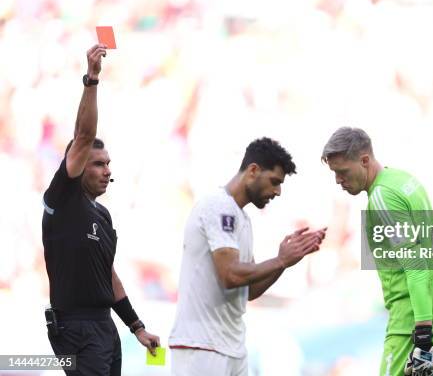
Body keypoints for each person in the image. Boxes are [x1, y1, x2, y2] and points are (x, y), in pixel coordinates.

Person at [42, 44, 160, 375]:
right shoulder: (62, 199)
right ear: (78, 167)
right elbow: (83, 136)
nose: (107, 170)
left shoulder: (102, 215)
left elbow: (107, 275)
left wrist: (136, 326)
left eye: (108, 163)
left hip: (105, 325)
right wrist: (91, 79)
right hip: (75, 328)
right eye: (97, 164)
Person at [169, 137, 326, 376]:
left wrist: (285, 262)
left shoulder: (241, 218)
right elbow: (230, 275)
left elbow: (249, 289)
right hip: (202, 347)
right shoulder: (218, 206)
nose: (278, 191)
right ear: (253, 170)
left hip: (232, 346)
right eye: (274, 181)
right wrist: (280, 260)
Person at [321, 127, 433, 376]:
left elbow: (415, 263)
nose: (338, 180)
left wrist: (423, 332)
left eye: (342, 172)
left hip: (412, 325)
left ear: (364, 161)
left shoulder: (382, 198)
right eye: (334, 173)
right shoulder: (405, 181)